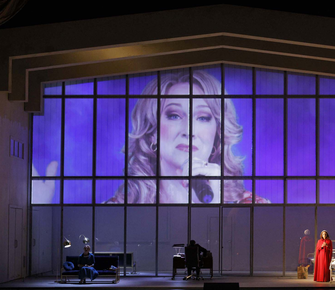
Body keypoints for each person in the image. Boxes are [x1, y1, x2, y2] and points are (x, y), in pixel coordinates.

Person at [105, 70, 270, 204]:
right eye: (174, 115)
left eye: (203, 117)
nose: (189, 131)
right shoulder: (116, 210)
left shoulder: (254, 208)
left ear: (217, 134)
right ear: (152, 132)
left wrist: (214, 208)